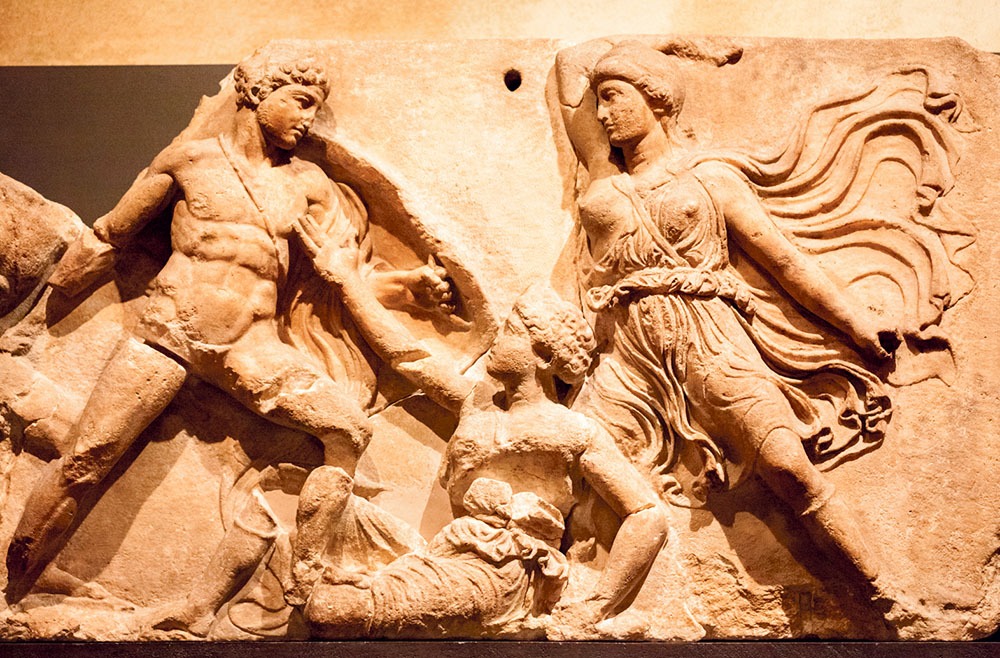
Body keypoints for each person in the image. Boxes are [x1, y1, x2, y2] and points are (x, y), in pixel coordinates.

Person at [5, 44, 470, 607]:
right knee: (84, 460)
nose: (307, 118)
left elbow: (340, 278)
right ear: (255, 92)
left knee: (347, 430)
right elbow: (108, 239)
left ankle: (309, 573)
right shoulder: (189, 162)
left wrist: (408, 287)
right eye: (299, 101)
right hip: (170, 335)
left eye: (316, 107)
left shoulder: (309, 185)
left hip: (251, 346)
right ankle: (17, 586)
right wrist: (34, 320)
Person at [553, 37, 973, 624]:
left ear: (657, 97)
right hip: (627, 360)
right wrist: (680, 47)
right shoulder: (602, 180)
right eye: (598, 100)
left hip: (709, 343)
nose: (602, 113)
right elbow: (568, 61)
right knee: (582, 471)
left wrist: (856, 323)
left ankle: (884, 597)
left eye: (616, 96)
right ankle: (573, 605)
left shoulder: (711, 180)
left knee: (787, 467)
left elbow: (786, 263)